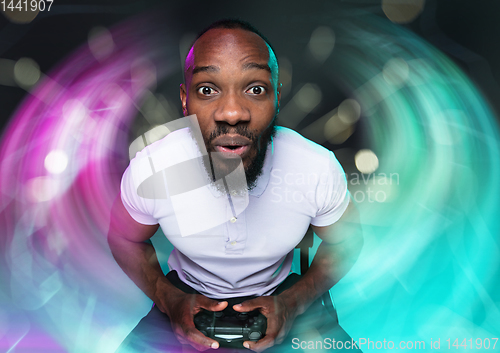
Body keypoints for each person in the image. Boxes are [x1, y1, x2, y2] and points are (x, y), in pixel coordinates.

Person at [108, 19, 363, 353]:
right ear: (185, 100)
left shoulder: (314, 166)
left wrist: (293, 303)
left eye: (255, 89)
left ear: (277, 97)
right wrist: (169, 300)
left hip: (283, 293)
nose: (231, 112)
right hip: (184, 293)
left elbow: (346, 242)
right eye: (207, 90)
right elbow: (123, 237)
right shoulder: (154, 168)